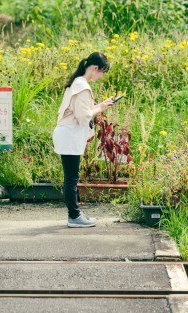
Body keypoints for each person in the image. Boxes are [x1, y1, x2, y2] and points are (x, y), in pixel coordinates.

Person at [53, 52, 115, 228]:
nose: (101, 76)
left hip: (67, 134)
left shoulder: (77, 83)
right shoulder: (82, 86)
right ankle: (74, 216)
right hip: (70, 135)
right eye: (102, 72)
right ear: (95, 68)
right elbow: (83, 116)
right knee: (71, 178)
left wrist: (101, 105)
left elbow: (80, 111)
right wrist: (100, 108)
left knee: (70, 177)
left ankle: (75, 214)